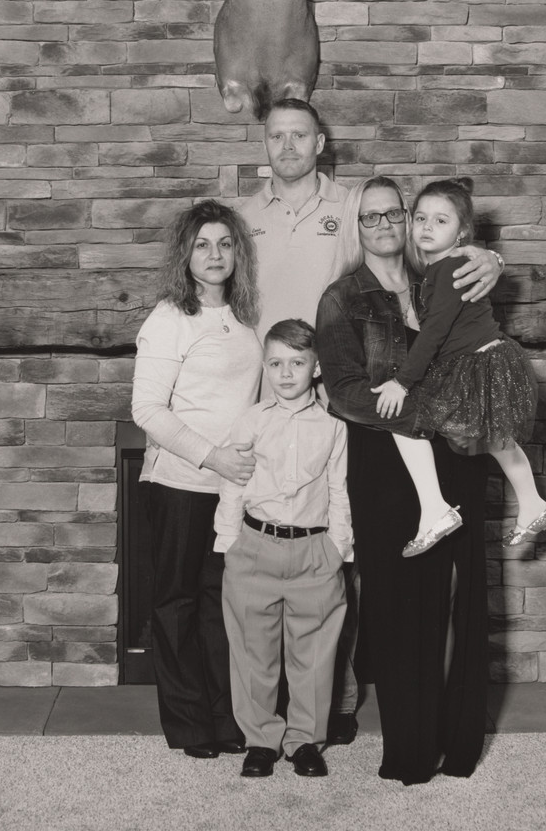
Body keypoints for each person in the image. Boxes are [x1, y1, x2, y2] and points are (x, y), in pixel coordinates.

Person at [239, 97, 504, 744]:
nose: (289, 146)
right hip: (296, 408)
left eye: (300, 134)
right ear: (263, 142)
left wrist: (488, 259)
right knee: (290, 560)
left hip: (384, 426)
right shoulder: (245, 216)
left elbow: (436, 239)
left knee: (363, 572)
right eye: (276, 135)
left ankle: (348, 708)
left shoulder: (354, 203)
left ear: (321, 140)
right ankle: (271, 718)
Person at [315, 175, 494, 784]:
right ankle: (411, 749)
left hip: (454, 456)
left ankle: (458, 738)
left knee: (455, 599)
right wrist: (426, 412)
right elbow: (341, 392)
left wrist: (489, 257)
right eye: (371, 216)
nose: (386, 223)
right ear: (357, 227)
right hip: (388, 466)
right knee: (397, 604)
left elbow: (476, 339)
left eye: (396, 212)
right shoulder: (342, 298)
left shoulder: (440, 275)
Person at [131, 199, 263, 758]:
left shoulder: (241, 316)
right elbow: (148, 411)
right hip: (180, 484)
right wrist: (214, 457)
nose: (215, 255)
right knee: (177, 603)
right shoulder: (168, 319)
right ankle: (189, 727)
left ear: (238, 253)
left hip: (231, 489)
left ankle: (224, 718)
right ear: (185, 253)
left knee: (218, 606)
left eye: (225, 244)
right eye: (203, 244)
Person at [373, 178, 546, 557]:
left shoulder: (450, 269)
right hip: (486, 360)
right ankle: (533, 502)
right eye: (421, 218)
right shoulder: (439, 268)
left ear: (463, 233)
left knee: (403, 416)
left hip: (477, 364)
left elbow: (435, 332)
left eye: (441, 221)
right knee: (499, 440)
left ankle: (435, 508)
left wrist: (402, 382)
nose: (426, 227)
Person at [214, 319, 351, 779]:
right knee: (254, 652)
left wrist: (338, 547)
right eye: (275, 363)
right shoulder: (252, 419)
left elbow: (339, 488)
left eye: (297, 362)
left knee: (313, 654)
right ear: (265, 368)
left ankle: (305, 742)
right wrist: (230, 542)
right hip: (255, 547)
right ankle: (261, 741)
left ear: (316, 368)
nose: (286, 373)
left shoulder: (334, 426)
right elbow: (233, 483)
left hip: (314, 551)